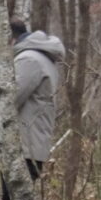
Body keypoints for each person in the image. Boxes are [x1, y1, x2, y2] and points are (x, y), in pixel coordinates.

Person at [11, 22, 65, 178]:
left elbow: (10, 100)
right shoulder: (40, 57)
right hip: (32, 143)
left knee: (15, 193)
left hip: (25, 144)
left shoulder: (29, 59)